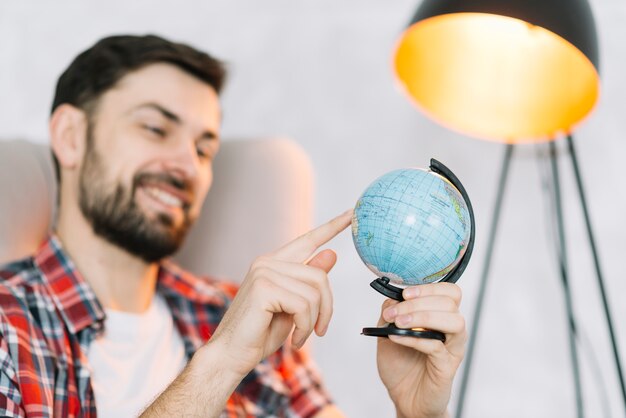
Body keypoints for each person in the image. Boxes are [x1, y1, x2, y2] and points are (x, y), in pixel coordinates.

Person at [0, 34, 466, 418]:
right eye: (155, 129)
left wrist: (417, 413)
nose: (187, 164)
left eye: (204, 149)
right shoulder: (9, 325)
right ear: (70, 136)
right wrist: (220, 362)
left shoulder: (247, 312)